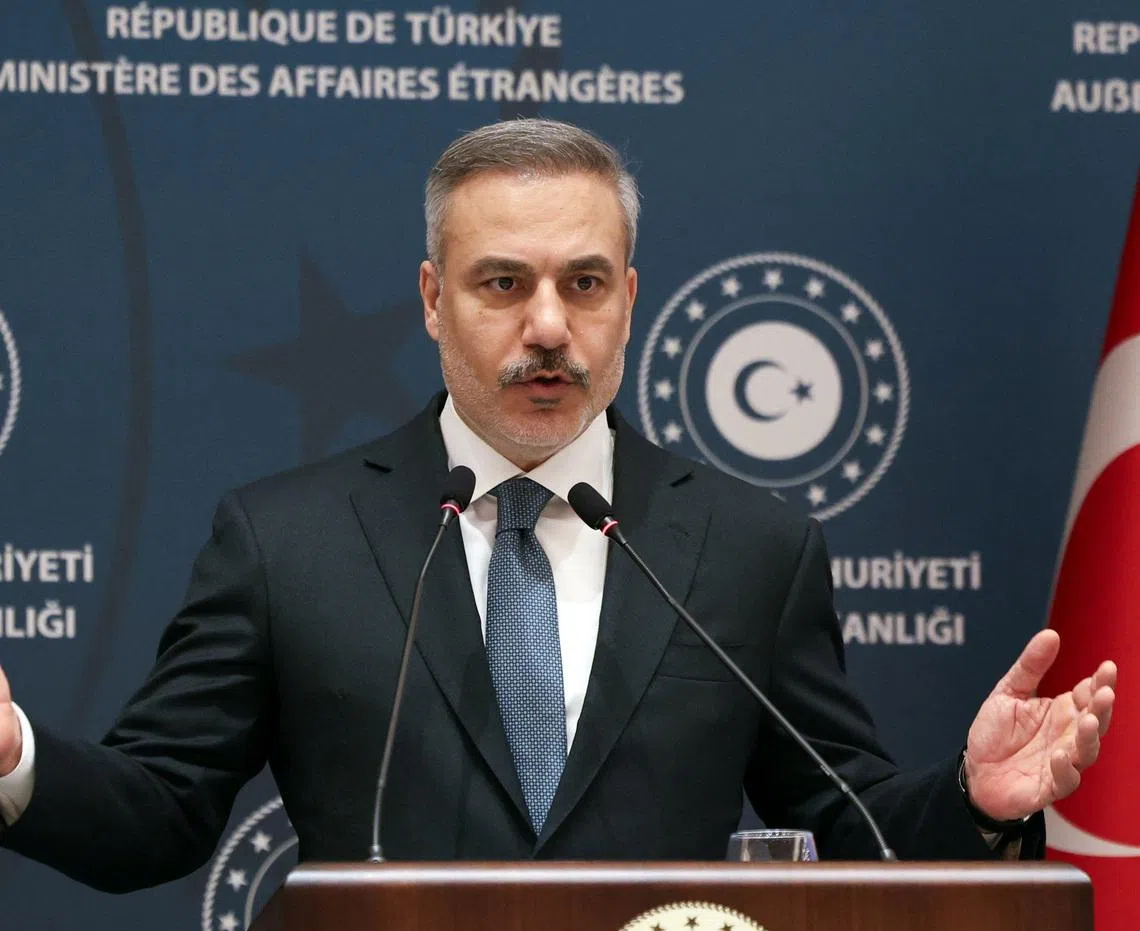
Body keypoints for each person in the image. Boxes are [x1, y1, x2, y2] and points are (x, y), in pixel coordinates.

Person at [0, 120, 1117, 890]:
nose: (547, 325)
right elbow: (157, 815)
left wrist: (976, 796)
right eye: (503, 283)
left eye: (583, 283)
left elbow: (851, 824)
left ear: (629, 300)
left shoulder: (749, 547)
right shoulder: (287, 542)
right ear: (435, 301)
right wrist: (13, 760)